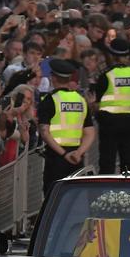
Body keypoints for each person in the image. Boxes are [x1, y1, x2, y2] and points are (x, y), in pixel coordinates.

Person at [37, 58, 95, 195]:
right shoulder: (81, 100)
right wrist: (79, 152)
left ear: (53, 78)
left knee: (53, 196)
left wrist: (64, 154)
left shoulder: (50, 100)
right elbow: (90, 132)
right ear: (69, 79)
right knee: (74, 197)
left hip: (56, 157)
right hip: (76, 157)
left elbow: (44, 131)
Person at [94, 38, 130, 174]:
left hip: (109, 123)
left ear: (112, 55)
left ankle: (106, 190)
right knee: (128, 160)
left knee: (107, 161)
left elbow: (97, 102)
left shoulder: (106, 75)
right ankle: (129, 188)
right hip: (129, 122)